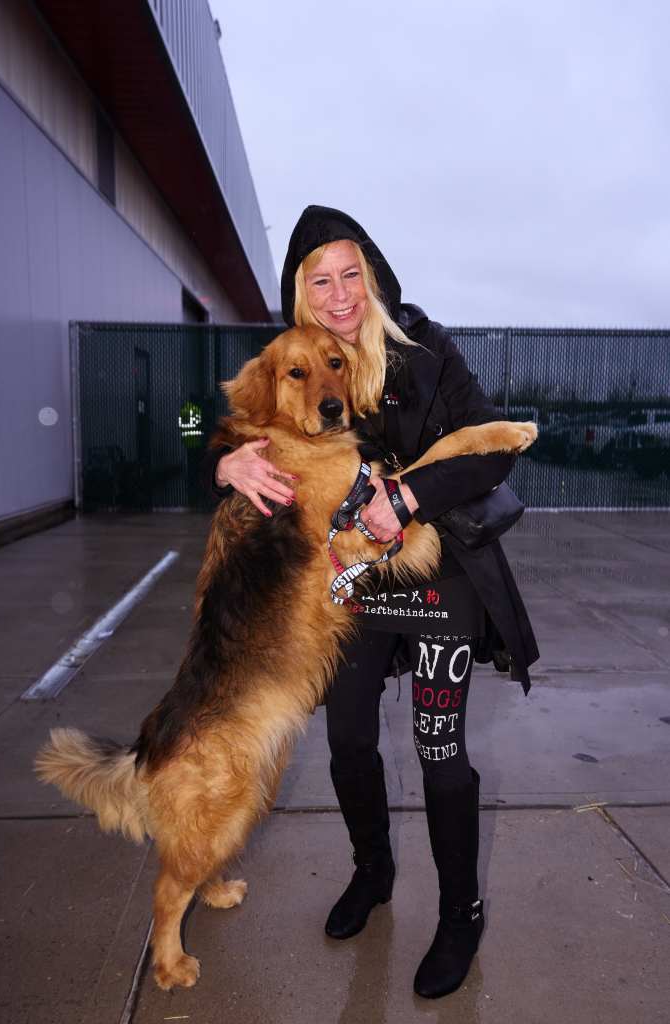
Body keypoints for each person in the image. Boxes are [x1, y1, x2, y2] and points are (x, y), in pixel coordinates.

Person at [204, 206, 539, 999]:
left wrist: (410, 495)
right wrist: (218, 467)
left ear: (374, 276)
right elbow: (203, 421)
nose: (340, 292)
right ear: (300, 294)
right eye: (320, 280)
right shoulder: (293, 360)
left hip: (438, 574)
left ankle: (462, 912)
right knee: (349, 739)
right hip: (353, 582)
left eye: (351, 273)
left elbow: (489, 445)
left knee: (438, 748)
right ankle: (373, 871)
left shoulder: (426, 351)